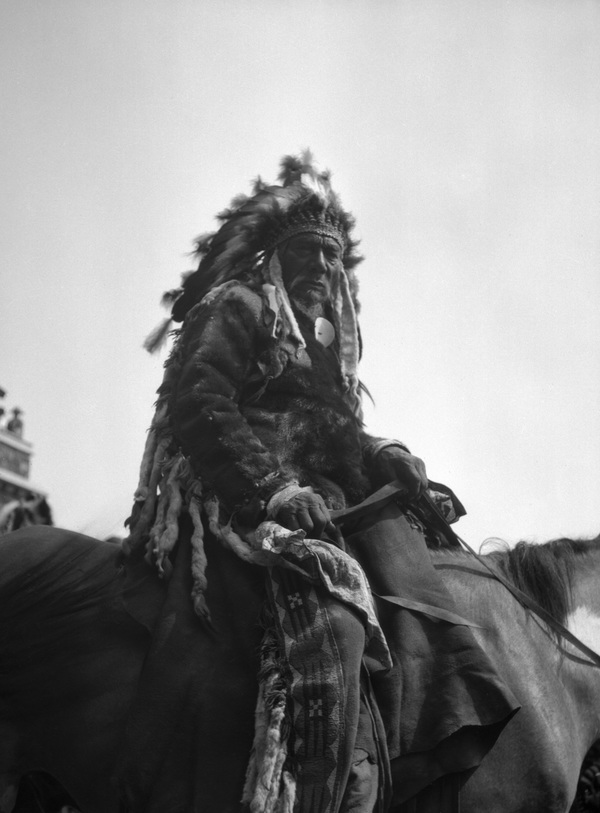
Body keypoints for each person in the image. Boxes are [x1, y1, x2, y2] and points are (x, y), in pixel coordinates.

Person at [125, 153, 517, 813]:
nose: (327, 269)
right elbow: (202, 402)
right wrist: (275, 489)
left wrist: (395, 460)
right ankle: (301, 792)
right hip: (241, 500)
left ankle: (395, 768)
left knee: (433, 602)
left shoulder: (322, 350)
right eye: (312, 253)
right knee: (334, 615)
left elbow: (335, 435)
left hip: (325, 504)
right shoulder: (242, 305)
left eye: (336, 258)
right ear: (275, 256)